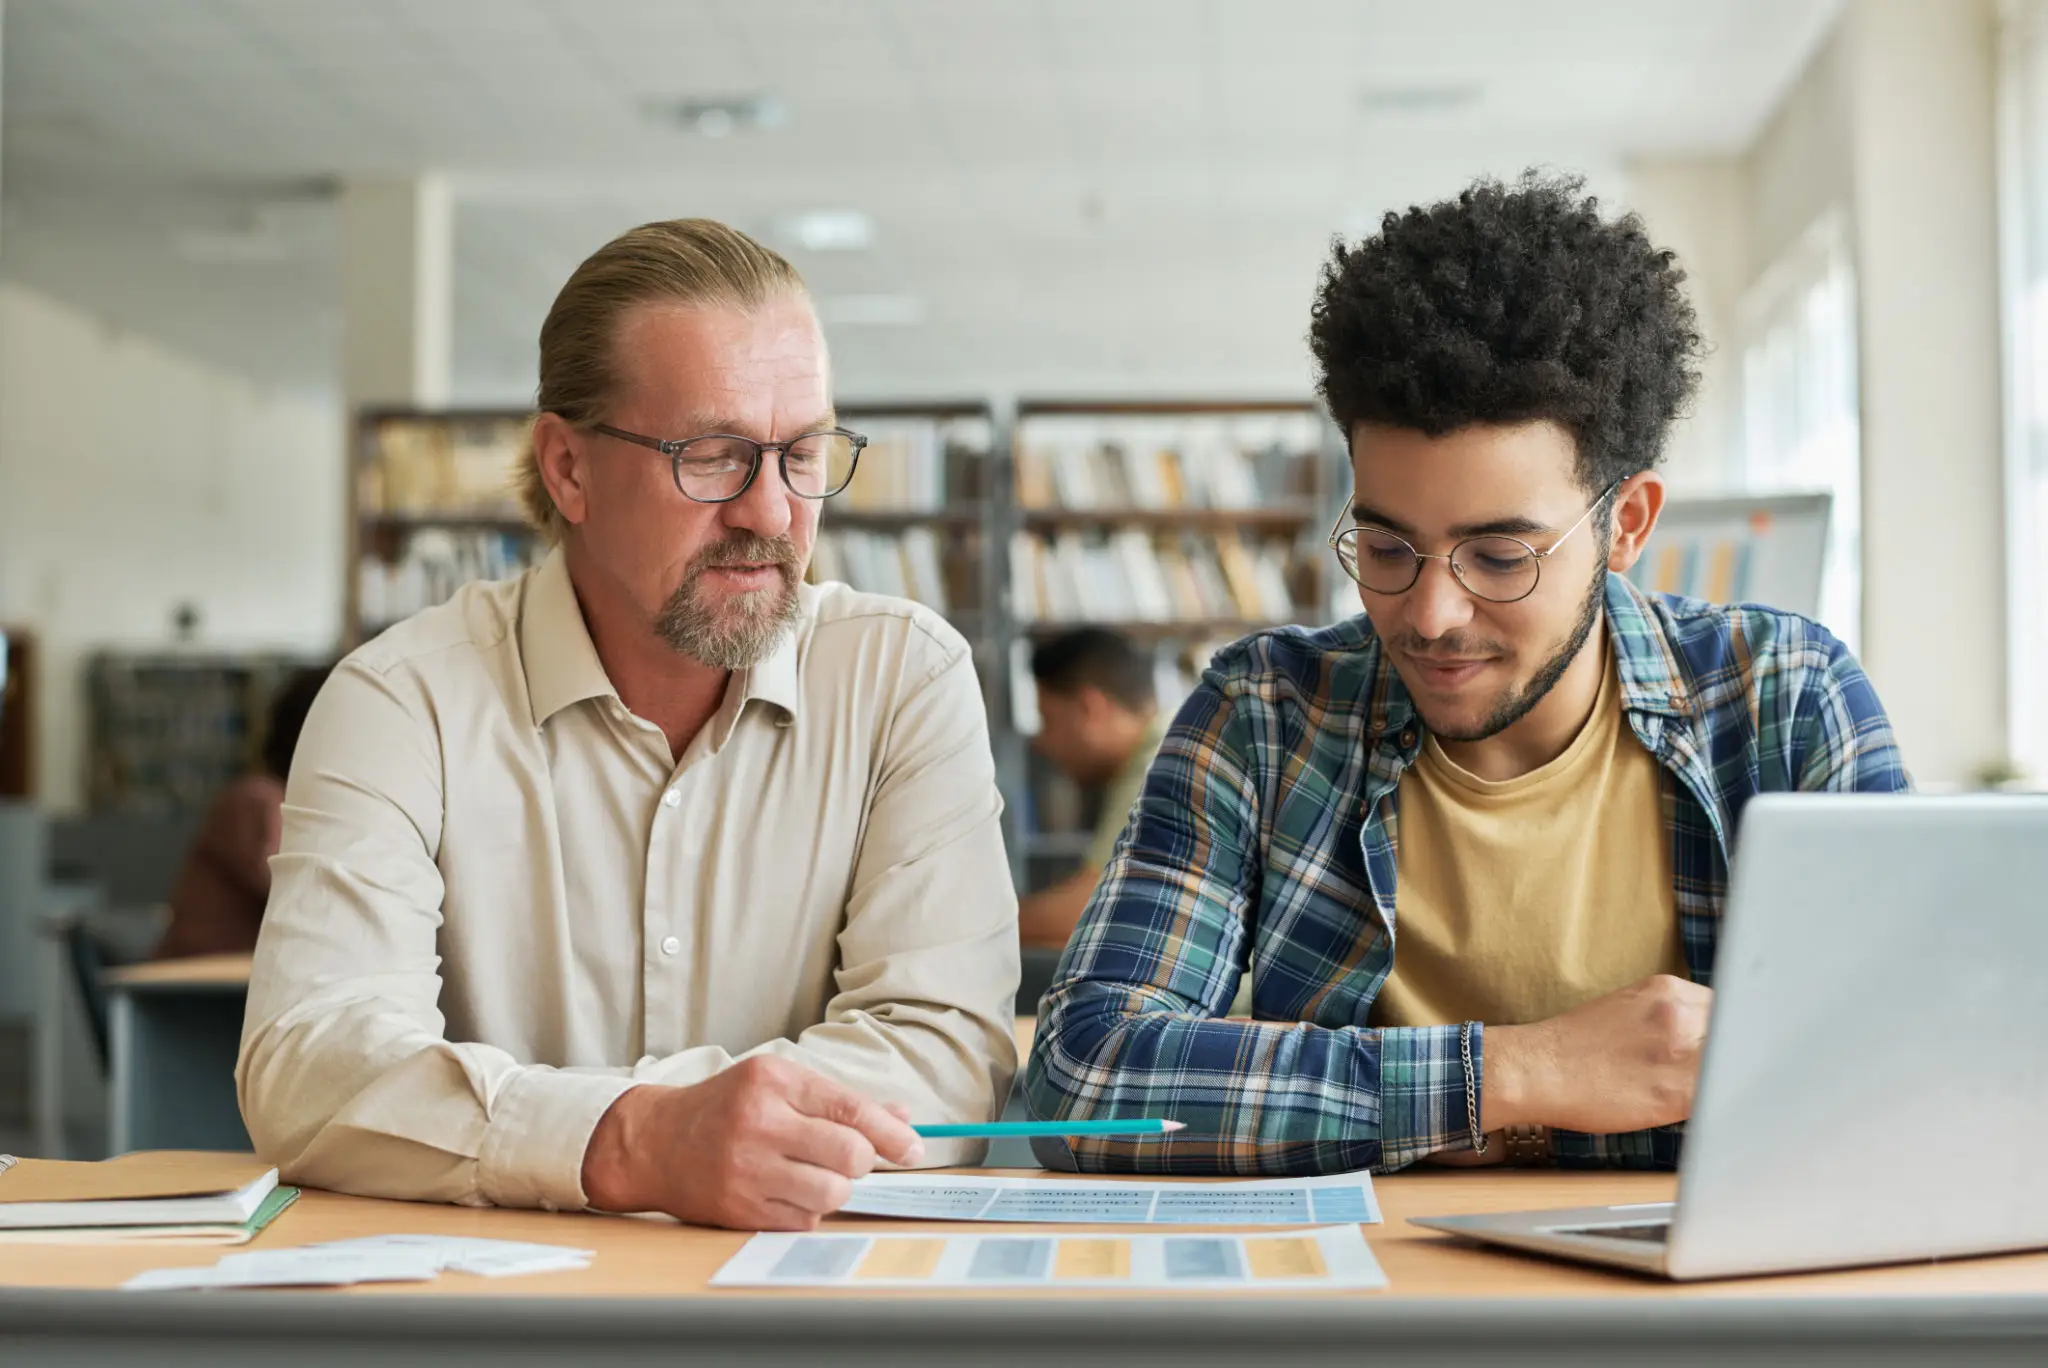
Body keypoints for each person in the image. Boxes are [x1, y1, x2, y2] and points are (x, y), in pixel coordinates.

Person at [1026, 174, 1908, 1175]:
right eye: (1388, 548)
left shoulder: (1783, 696)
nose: (1432, 616)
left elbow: (1901, 1075)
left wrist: (1396, 1116)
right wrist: (1519, 1075)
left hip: (1701, 1307)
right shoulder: (1264, 716)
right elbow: (1080, 1075)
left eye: (1499, 556)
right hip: (1373, 1301)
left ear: (1626, 524)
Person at [239, 219, 1020, 1231]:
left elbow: (947, 1051)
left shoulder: (901, 677)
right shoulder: (401, 699)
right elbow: (309, 1064)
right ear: (567, 469)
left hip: (806, 1304)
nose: (772, 515)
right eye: (711, 457)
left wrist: (591, 1130)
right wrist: (635, 1139)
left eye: (803, 454)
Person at [155, 665, 331, 961]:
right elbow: (300, 895)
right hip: (195, 990)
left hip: (224, 984)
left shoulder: (270, 798)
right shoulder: (258, 800)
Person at [1018, 629, 1163, 950]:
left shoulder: (1163, 763)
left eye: (1048, 719)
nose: (1041, 742)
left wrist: (978, 927)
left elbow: (1096, 910)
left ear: (1090, 708)